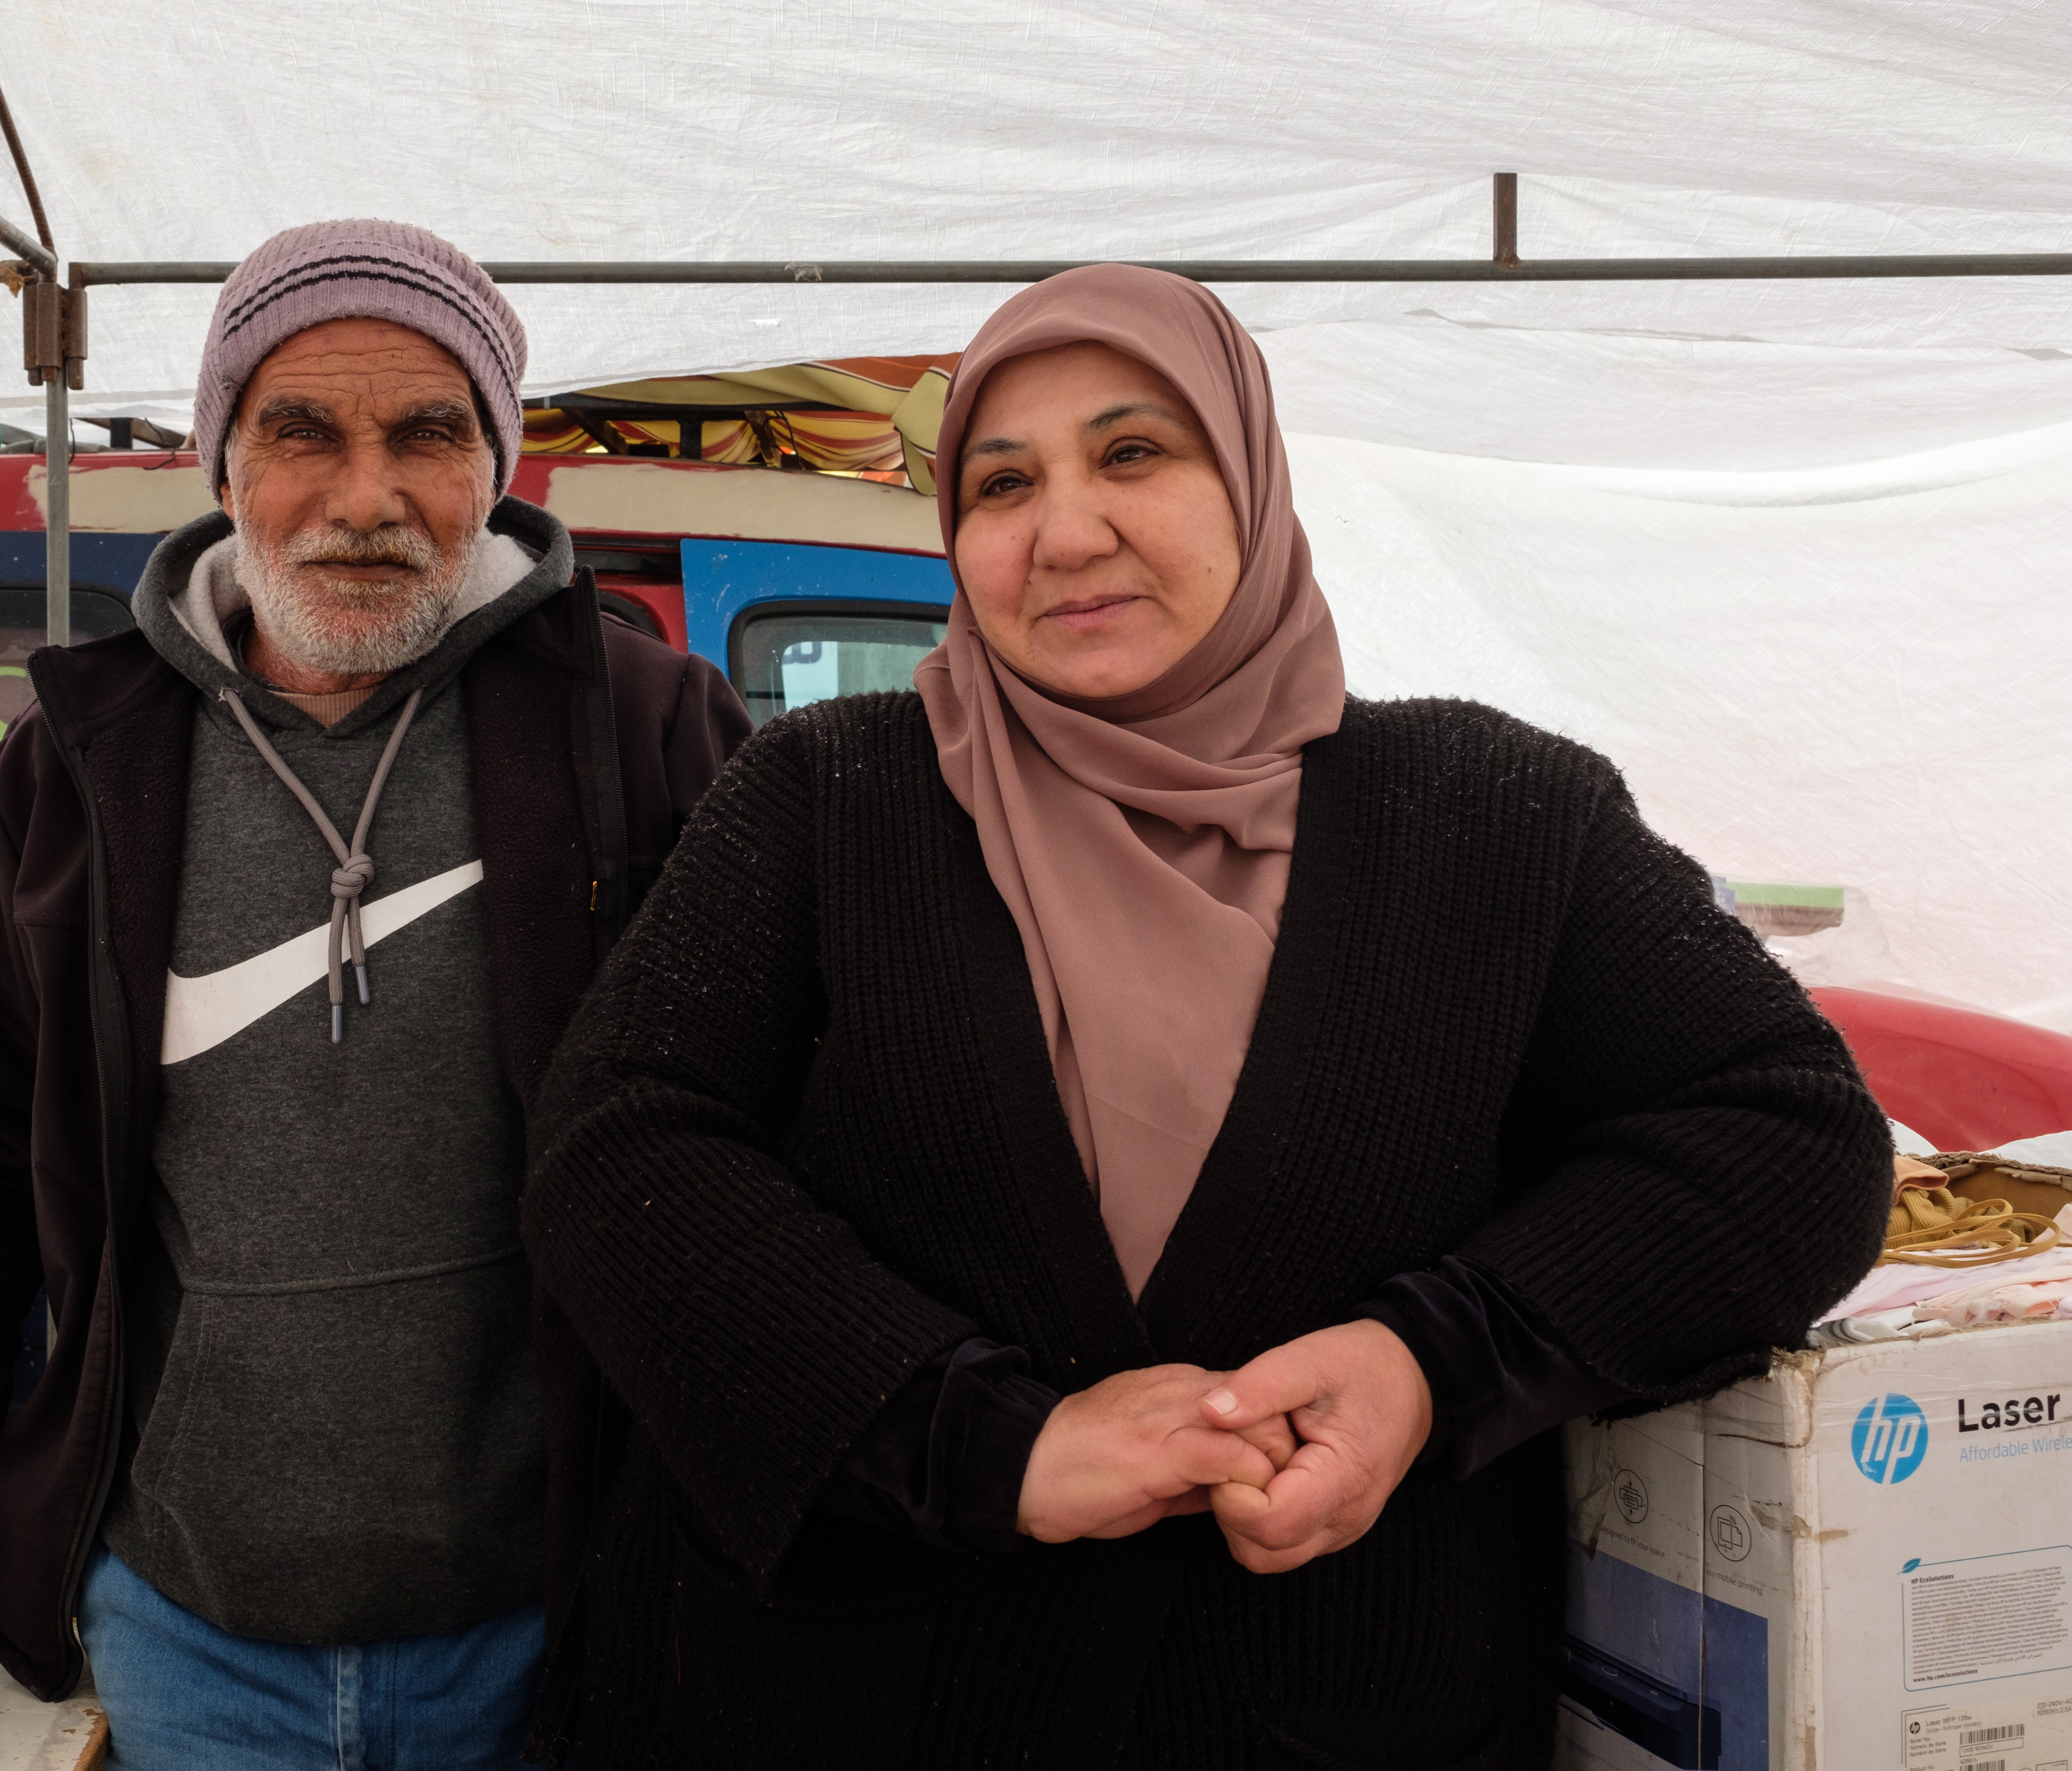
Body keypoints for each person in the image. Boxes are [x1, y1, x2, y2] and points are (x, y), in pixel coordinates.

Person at [519, 265, 1893, 1766]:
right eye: (1001, 481)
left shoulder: (1500, 817)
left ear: (1252, 479)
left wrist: (1432, 1359)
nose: (1067, 531)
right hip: (856, 1693)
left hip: (1340, 1704)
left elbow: (1784, 1132)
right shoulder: (829, 796)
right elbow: (625, 1151)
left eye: (1133, 454)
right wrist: (982, 1443)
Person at [0, 220, 751, 1765]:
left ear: (495, 469)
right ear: (218, 462)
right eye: (300, 430)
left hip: (551, 1612)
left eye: (429, 435)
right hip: (184, 1627)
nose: (365, 497)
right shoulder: (81, 760)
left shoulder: (640, 728)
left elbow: (759, 1140)